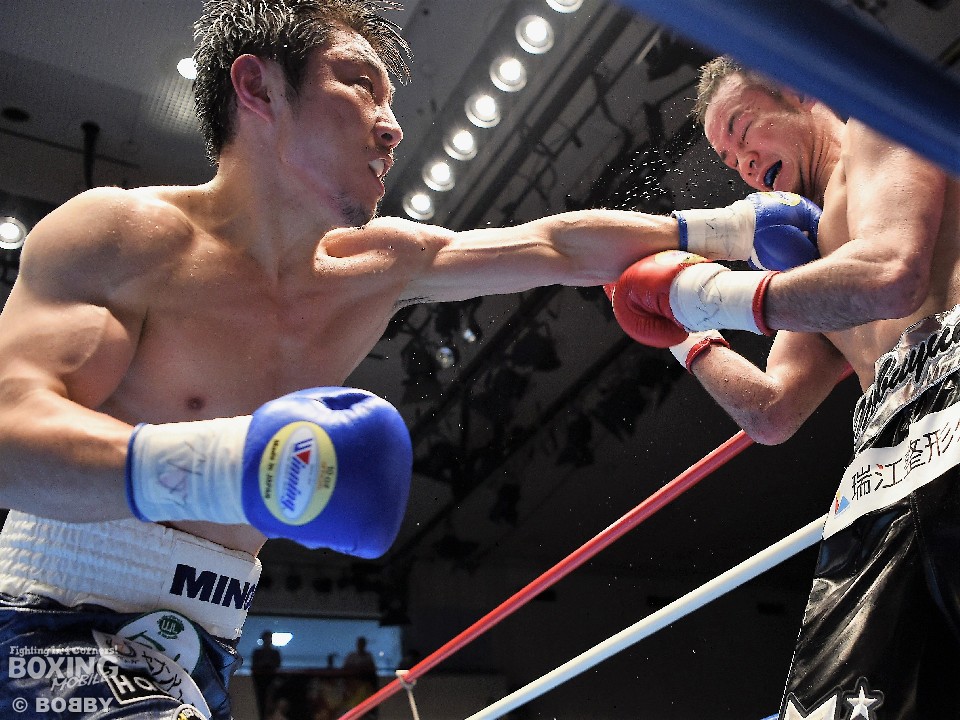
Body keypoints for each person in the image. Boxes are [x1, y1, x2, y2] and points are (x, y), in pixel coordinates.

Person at [0, 1, 819, 717]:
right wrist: (228, 465)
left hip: (203, 651)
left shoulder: (374, 266)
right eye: (358, 83)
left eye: (391, 101)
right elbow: (9, 437)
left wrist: (727, 230)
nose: (391, 125)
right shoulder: (122, 237)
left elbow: (554, 245)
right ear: (258, 88)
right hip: (53, 623)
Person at [606, 55, 959, 718]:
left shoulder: (882, 125)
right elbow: (771, 410)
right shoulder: (813, 266)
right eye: (727, 158)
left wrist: (706, 292)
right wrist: (679, 330)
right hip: (881, 471)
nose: (742, 162)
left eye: (743, 128)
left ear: (798, 90)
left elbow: (893, 271)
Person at [251, 631, 282, 720]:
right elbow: (254, 666)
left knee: (272, 700)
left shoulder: (275, 652)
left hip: (271, 680)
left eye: (269, 638)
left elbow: (278, 665)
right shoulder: (257, 652)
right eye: (266, 638)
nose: (268, 640)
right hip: (260, 680)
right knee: (261, 701)